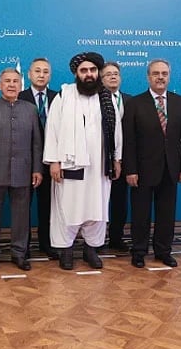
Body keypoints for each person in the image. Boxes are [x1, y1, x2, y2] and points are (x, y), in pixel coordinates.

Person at [43, 52, 122, 270]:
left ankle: (91, 250)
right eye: (84, 70)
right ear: (77, 74)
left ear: (98, 72)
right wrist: (54, 162)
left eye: (92, 70)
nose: (89, 74)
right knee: (68, 208)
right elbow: (53, 129)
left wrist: (116, 159)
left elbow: (117, 133)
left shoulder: (107, 98)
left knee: (97, 208)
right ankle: (66, 251)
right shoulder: (64, 95)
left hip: (99, 166)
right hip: (70, 164)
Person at [123, 59, 181, 268]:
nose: (160, 77)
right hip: (142, 170)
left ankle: (163, 251)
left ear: (169, 76)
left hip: (171, 169)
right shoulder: (135, 103)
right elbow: (129, 140)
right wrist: (131, 170)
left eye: (164, 73)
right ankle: (138, 252)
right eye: (156, 73)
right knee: (140, 214)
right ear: (148, 77)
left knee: (166, 214)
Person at [0, 68, 42, 272]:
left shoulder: (30, 109)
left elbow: (36, 143)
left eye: (15, 81)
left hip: (24, 170)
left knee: (22, 216)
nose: (11, 85)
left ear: (21, 85)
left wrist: (37, 169)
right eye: (7, 81)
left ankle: (19, 253)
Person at [18, 58, 59, 259]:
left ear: (49, 75)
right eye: (37, 71)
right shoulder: (19, 96)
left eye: (45, 71)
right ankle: (22, 246)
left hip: (51, 162)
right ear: (29, 74)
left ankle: (47, 243)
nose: (41, 75)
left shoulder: (59, 97)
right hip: (25, 161)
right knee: (23, 206)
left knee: (48, 206)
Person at [101, 61, 132, 253]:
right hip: (102, 160)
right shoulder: (95, 101)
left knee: (120, 201)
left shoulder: (130, 100)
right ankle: (96, 239)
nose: (113, 77)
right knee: (100, 201)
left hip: (124, 160)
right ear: (101, 79)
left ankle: (116, 238)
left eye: (116, 74)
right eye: (108, 74)